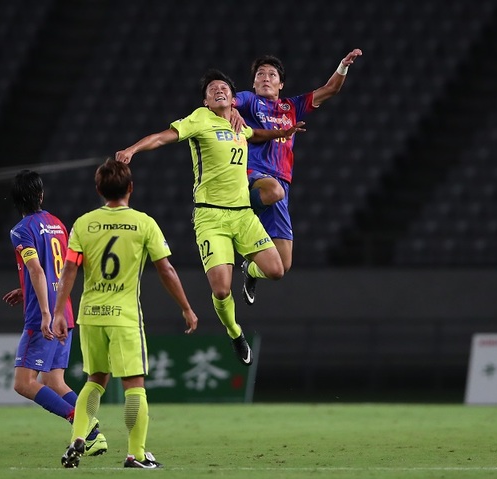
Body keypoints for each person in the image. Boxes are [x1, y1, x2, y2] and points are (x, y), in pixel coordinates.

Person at [115, 69, 302, 367]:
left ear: (232, 97)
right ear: (205, 101)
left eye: (223, 87)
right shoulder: (200, 119)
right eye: (212, 89)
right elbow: (162, 138)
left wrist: (281, 133)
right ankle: (235, 332)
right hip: (211, 216)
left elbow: (256, 135)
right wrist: (132, 149)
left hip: (243, 215)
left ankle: (250, 270)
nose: (219, 90)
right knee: (221, 289)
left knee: (277, 270)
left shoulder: (239, 125)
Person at [53, 159, 198, 469]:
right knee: (134, 385)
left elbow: (69, 270)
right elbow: (166, 269)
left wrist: (58, 312)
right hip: (124, 316)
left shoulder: (83, 224)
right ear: (131, 187)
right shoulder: (143, 223)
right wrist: (186, 307)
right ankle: (136, 454)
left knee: (94, 380)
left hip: (90, 313)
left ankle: (78, 437)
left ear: (98, 189)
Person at [234, 49, 362, 304]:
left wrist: (343, 65)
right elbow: (227, 101)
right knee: (273, 191)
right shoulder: (248, 100)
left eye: (272, 75)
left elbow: (330, 89)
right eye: (260, 74)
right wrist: (232, 110)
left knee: (281, 266)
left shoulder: (291, 107)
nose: (266, 78)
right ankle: (238, 213)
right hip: (251, 173)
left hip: (281, 182)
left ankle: (250, 269)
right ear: (254, 83)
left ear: (281, 84)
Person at [3, 169, 107, 456]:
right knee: (54, 381)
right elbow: (58, 268)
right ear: (41, 195)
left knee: (24, 384)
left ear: (15, 200)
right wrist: (27, 289)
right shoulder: (57, 225)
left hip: (44, 315)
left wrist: (46, 313)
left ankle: (82, 425)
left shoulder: (20, 230)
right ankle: (94, 435)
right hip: (65, 311)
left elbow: (37, 269)